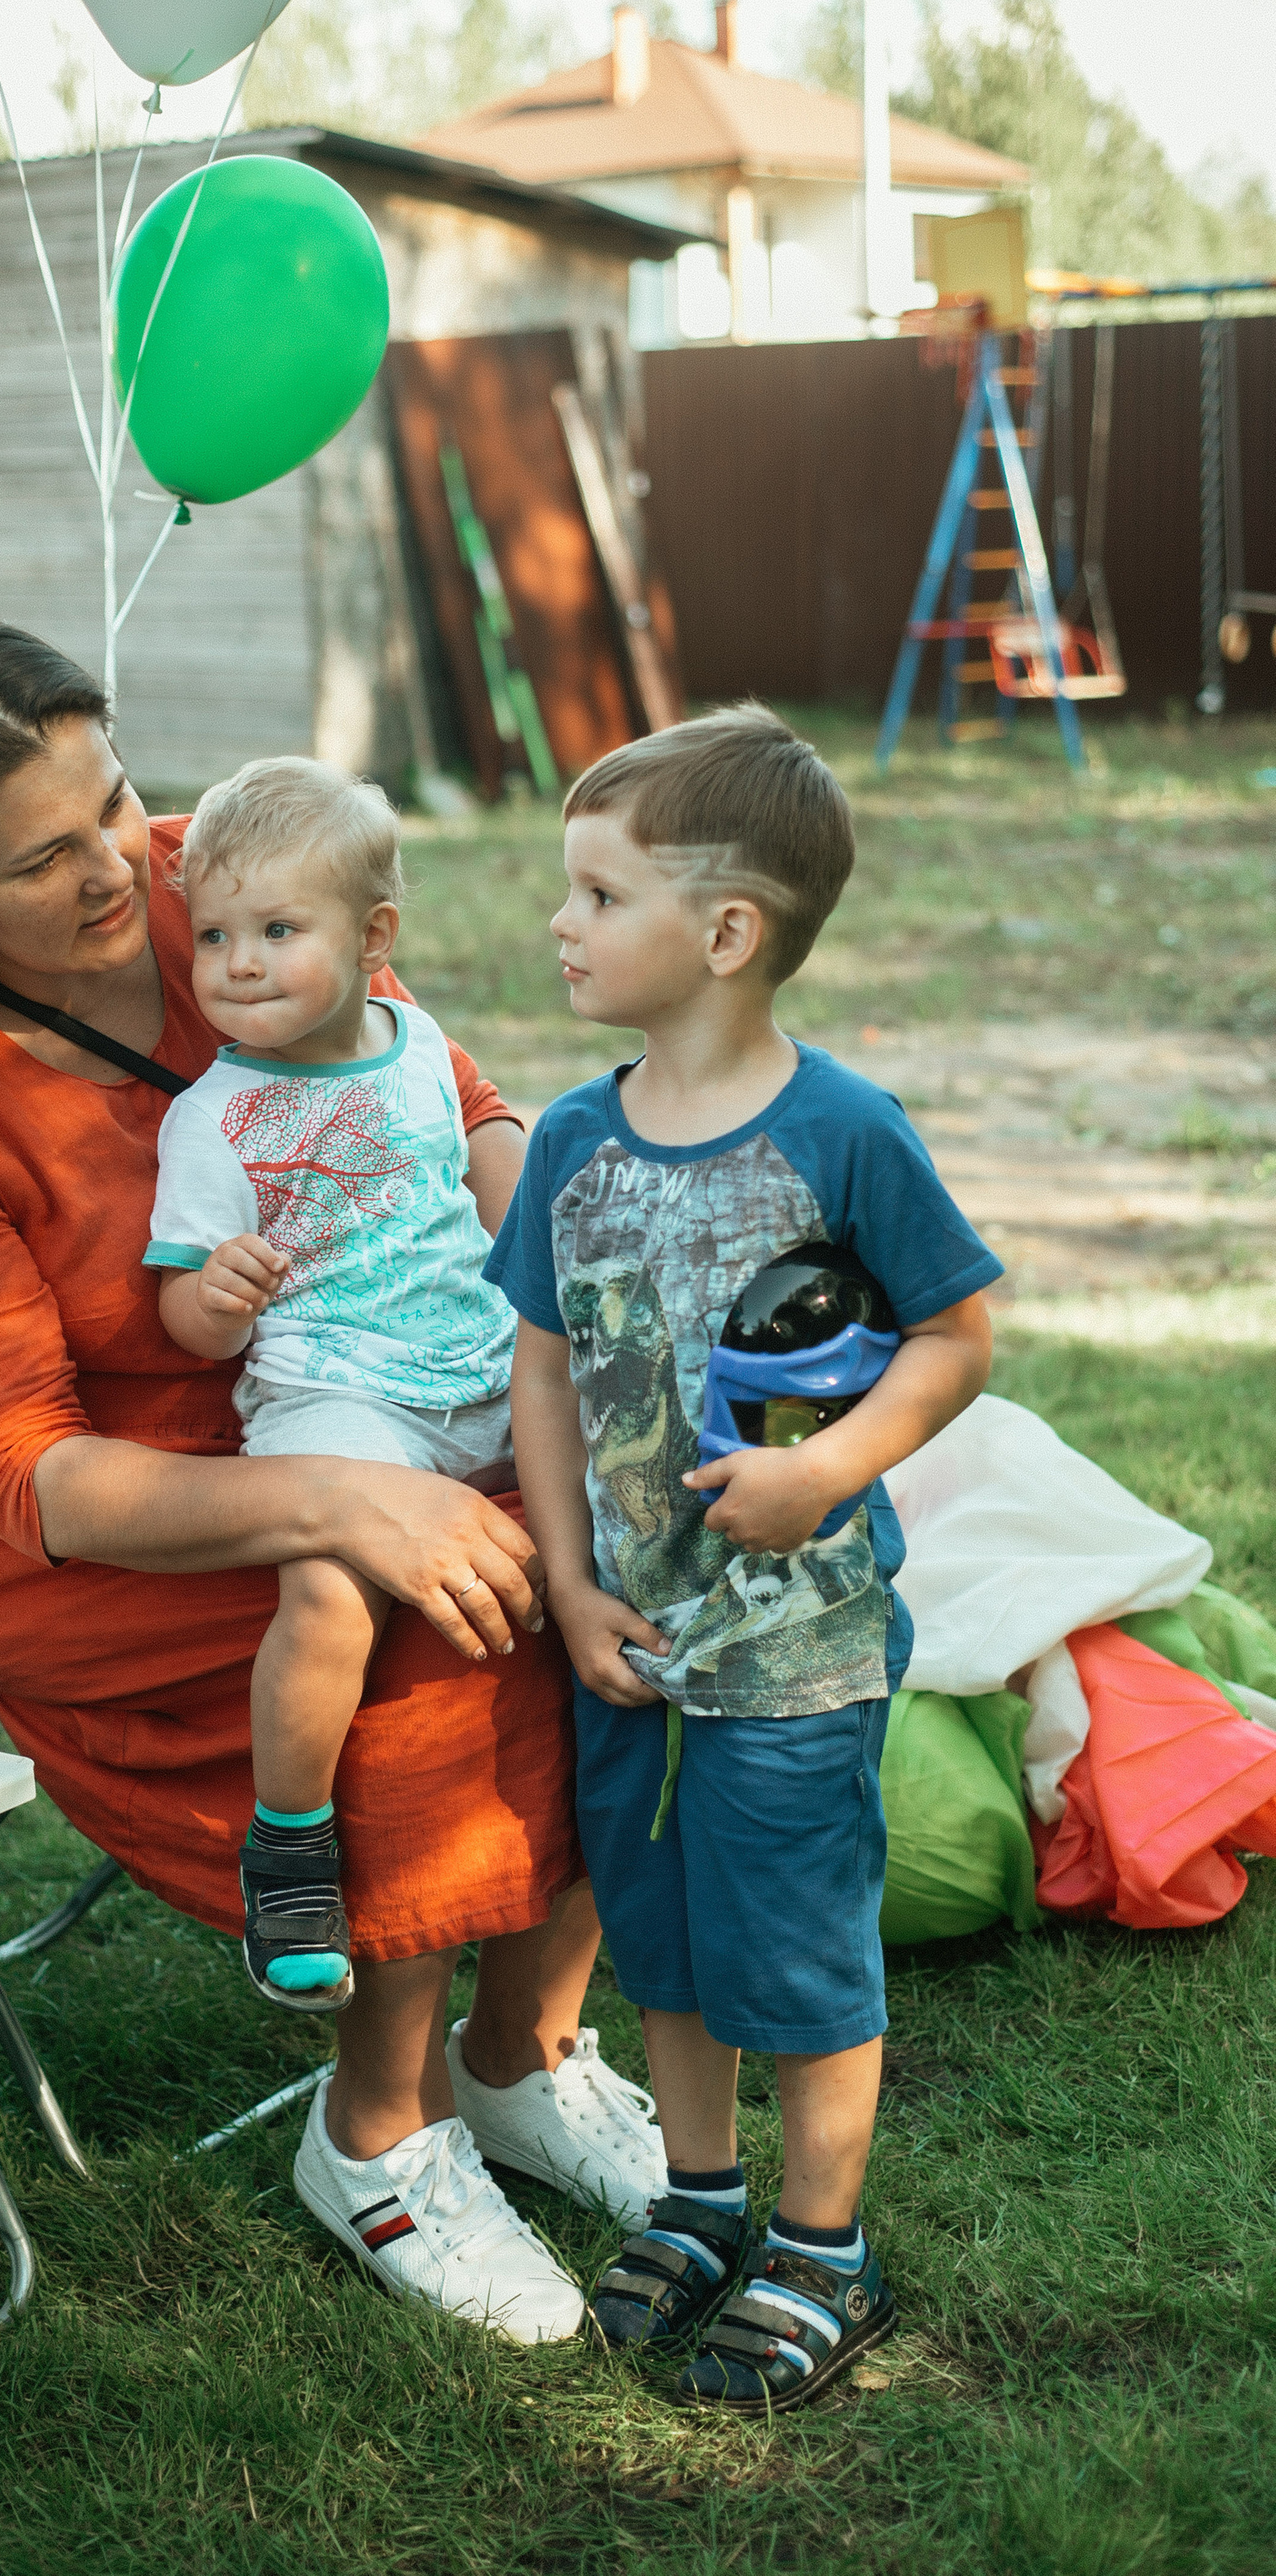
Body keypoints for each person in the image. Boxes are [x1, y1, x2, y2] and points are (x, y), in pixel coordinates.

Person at [0, 619, 667, 2347]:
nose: (125, 863)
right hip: (78, 1524)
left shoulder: (232, 872)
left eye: (113, 799)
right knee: (432, 1628)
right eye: (44, 859)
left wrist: (566, 1295)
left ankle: (518, 2055)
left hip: (358, 1385)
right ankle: (375, 2138)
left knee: (618, 1544)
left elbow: (459, 1104)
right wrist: (357, 1505)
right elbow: (29, 1480)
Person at [487, 704, 1002, 2411]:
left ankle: (819, 2248)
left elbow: (954, 1334)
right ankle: (702, 2200)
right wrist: (565, 1584)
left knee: (792, 1942)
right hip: (628, 1642)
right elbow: (543, 1370)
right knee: (669, 1931)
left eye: (593, 891)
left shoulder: (841, 1133)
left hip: (795, 1649)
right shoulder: (567, 1143)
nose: (557, 922)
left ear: (724, 934)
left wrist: (833, 1468)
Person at [144, 758, 520, 2018]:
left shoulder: (420, 1048)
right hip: (334, 1393)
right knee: (330, 1582)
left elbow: (475, 1176)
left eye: (277, 932)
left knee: (617, 1468)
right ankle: (290, 1843)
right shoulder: (215, 1119)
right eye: (214, 937)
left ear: (376, 943)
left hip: (472, 1362)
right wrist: (217, 1295)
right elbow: (183, 1320)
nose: (237, 965)